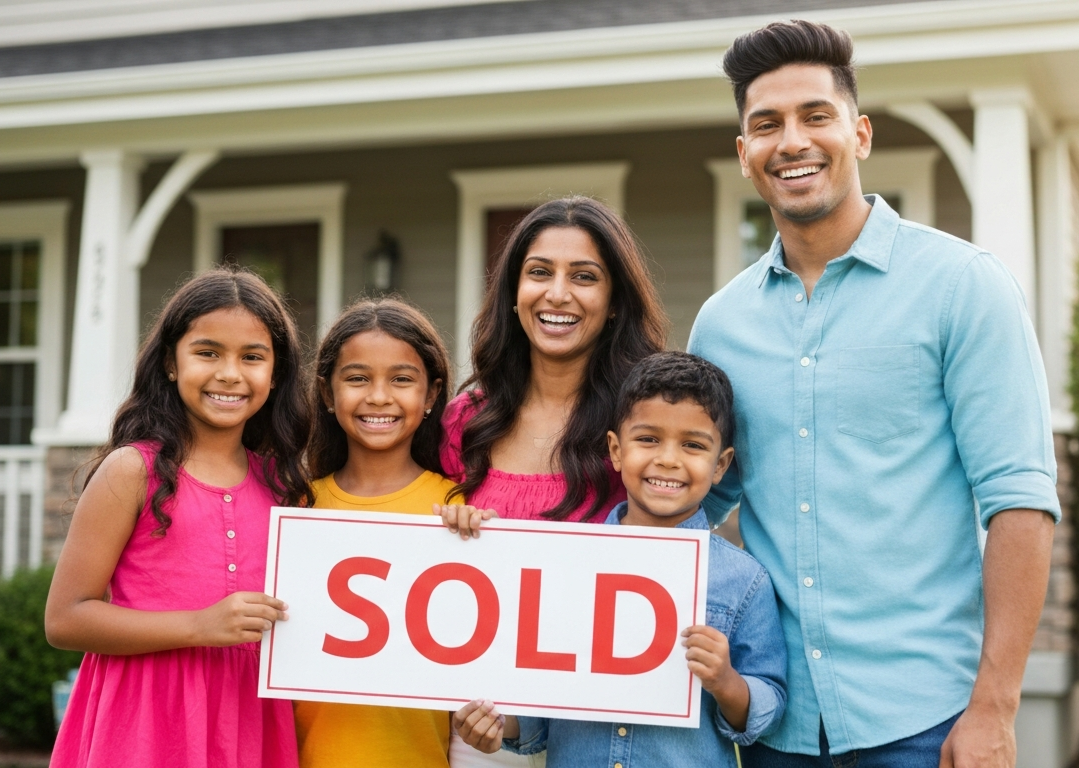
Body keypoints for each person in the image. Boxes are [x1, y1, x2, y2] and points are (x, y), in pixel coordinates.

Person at [688, 20, 1061, 768]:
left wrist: (995, 705)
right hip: (776, 724)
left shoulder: (963, 286)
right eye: (766, 125)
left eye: (814, 116)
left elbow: (1020, 499)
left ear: (858, 134)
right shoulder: (721, 324)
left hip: (926, 723)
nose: (791, 141)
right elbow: (687, 498)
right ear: (743, 156)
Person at [452, 351, 788, 766]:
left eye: (693, 445)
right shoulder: (569, 565)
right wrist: (497, 726)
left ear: (720, 465)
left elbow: (769, 704)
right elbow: (541, 706)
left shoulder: (744, 579)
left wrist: (726, 682)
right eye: (648, 439)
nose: (667, 459)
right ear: (615, 450)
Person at [45, 267, 309, 768]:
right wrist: (198, 625)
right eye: (208, 352)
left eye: (252, 357)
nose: (230, 373)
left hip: (249, 718)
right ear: (170, 361)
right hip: (145, 723)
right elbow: (65, 619)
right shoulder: (132, 471)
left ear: (275, 375)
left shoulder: (285, 485)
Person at [440, 196, 668, 766]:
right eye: (539, 272)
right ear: (514, 294)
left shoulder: (641, 428)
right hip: (477, 731)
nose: (557, 294)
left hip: (598, 733)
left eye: (584, 277)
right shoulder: (467, 421)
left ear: (614, 301)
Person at [295, 298, 459, 768]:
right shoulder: (296, 506)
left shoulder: (455, 508)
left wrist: (476, 537)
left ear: (431, 395)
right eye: (358, 378)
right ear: (327, 394)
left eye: (402, 379)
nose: (379, 396)